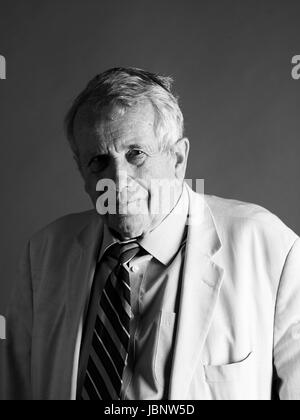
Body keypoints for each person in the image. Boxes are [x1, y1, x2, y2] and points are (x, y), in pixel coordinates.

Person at [1, 67, 300, 400]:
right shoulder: (44, 252)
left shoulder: (270, 247)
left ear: (178, 158)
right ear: (80, 169)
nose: (119, 181)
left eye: (135, 154)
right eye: (99, 160)